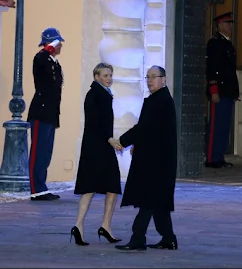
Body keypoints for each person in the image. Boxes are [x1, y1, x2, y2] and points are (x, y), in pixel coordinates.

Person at [115, 66, 178, 251]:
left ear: (163, 79)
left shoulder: (161, 101)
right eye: (147, 77)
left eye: (154, 77)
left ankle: (138, 238)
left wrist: (123, 141)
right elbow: (151, 130)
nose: (150, 80)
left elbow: (144, 128)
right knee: (158, 201)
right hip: (157, 158)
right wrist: (137, 144)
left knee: (149, 200)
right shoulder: (158, 99)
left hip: (158, 161)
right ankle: (168, 239)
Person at [70, 63, 124, 246]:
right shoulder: (95, 94)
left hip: (97, 146)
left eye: (110, 75)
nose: (109, 78)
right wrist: (109, 138)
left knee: (96, 186)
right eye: (105, 75)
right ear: (96, 76)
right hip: (98, 147)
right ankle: (97, 226)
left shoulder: (101, 93)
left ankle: (87, 226)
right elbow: (94, 122)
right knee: (109, 186)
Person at [27, 27, 65, 201]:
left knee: (45, 153)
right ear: (50, 43)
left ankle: (42, 187)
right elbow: (41, 58)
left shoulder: (55, 63)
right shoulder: (40, 58)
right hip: (40, 113)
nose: (60, 46)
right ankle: (36, 189)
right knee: (37, 152)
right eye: (58, 42)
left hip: (50, 114)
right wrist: (48, 47)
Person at [205, 12, 240, 168]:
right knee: (215, 126)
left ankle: (219, 157)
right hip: (219, 91)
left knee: (224, 126)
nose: (230, 26)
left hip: (228, 91)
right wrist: (214, 89)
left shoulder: (228, 44)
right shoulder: (215, 43)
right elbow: (212, 69)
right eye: (227, 23)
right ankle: (212, 158)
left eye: (231, 23)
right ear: (220, 25)